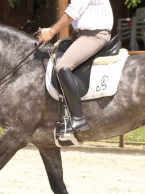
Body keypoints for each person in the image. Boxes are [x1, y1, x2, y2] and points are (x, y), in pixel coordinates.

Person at [38, 0, 113, 134]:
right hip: (86, 35)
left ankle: (78, 118)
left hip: (94, 36)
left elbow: (73, 12)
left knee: (62, 66)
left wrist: (51, 31)